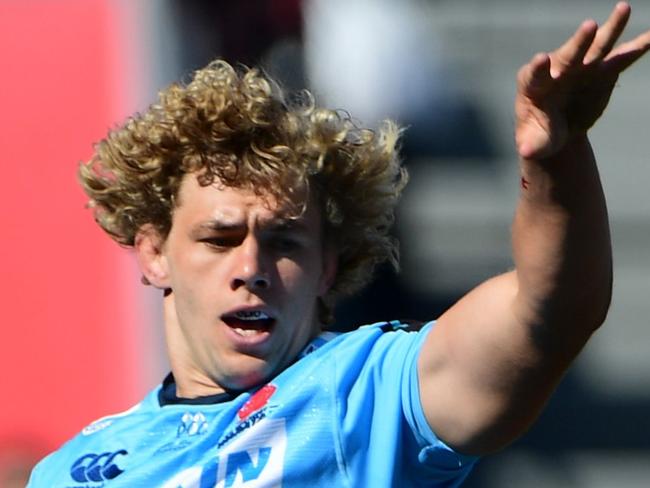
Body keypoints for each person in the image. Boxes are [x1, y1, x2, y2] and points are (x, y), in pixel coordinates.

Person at [28, 3, 650, 487]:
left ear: (328, 266)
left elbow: (550, 311)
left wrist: (557, 161)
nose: (252, 268)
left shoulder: (364, 391)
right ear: (154, 252)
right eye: (219, 239)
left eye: (285, 242)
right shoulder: (73, 468)